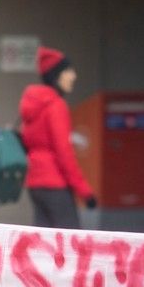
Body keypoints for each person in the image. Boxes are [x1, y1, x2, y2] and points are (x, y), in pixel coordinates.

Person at [18, 45, 95, 228]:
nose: (73, 76)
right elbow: (64, 154)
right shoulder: (56, 106)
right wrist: (85, 191)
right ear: (56, 75)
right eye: (68, 71)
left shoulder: (33, 104)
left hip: (35, 183)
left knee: (43, 243)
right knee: (71, 242)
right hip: (55, 183)